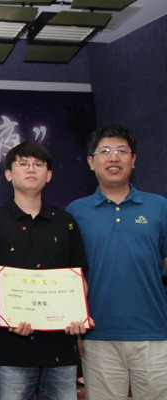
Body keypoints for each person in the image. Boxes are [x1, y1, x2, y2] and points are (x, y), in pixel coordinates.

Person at [0, 141, 90, 400]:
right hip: (10, 346)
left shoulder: (66, 222)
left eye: (38, 164)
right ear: (8, 174)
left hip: (60, 346)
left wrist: (77, 312)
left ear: (49, 175)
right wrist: (9, 311)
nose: (31, 169)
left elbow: (78, 277)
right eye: (23, 164)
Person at [66, 124, 167, 400]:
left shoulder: (159, 206)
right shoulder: (75, 212)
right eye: (105, 151)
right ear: (91, 162)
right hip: (98, 335)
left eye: (122, 151)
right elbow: (71, 276)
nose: (114, 157)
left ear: (133, 160)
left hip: (155, 333)